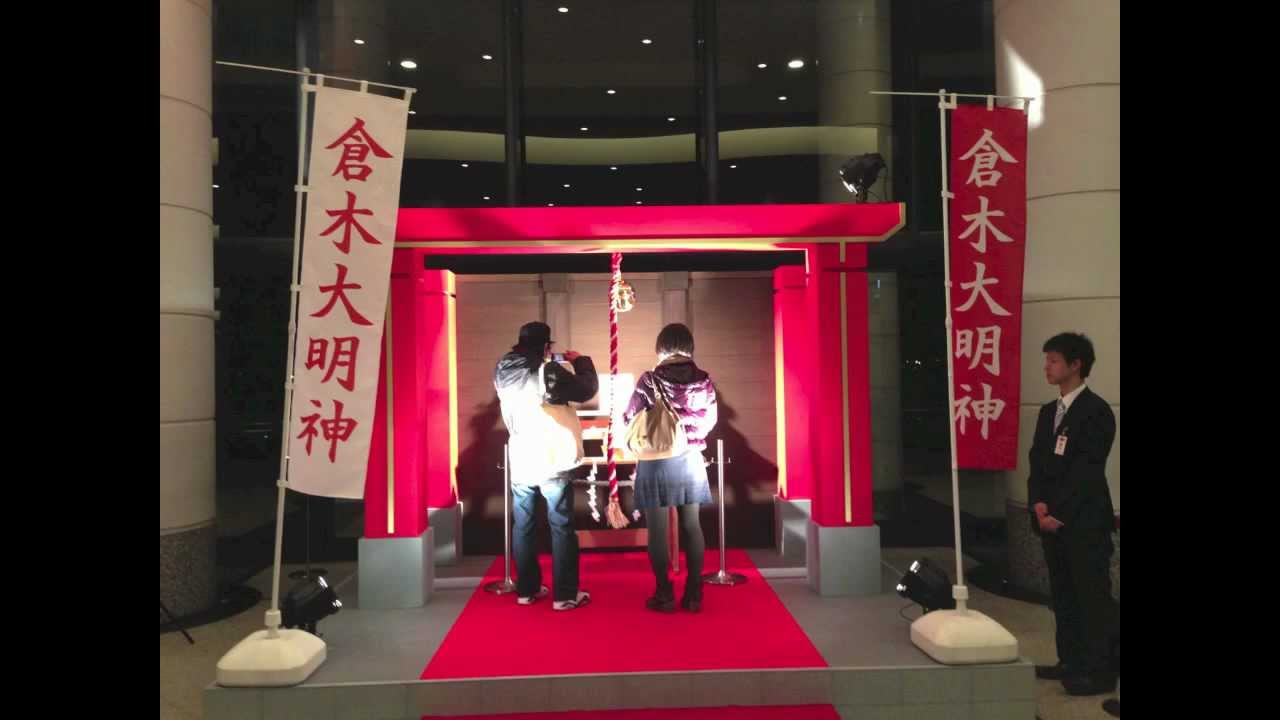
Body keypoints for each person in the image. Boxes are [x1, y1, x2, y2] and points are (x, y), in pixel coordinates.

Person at [1027, 332, 1118, 695]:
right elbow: (1037, 462)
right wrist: (1037, 504)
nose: (1046, 367)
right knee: (1063, 595)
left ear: (1076, 364)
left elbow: (1087, 471)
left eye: (1053, 360)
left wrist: (1058, 512)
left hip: (1084, 521)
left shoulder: (1097, 411)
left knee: (1092, 597)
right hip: (1050, 521)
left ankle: (1100, 672)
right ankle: (1070, 660)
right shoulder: (1048, 412)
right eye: (1047, 359)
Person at [493, 321, 597, 611]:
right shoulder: (545, 371)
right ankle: (565, 595)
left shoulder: (502, 368)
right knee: (561, 525)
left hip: (521, 456)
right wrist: (581, 362)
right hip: (551, 456)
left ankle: (526, 590)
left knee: (523, 525)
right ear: (546, 346)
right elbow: (586, 389)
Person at [621, 323, 718, 613]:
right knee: (692, 526)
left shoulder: (650, 380)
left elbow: (629, 417)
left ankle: (664, 594)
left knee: (658, 531)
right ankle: (694, 594)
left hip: (657, 460)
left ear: (660, 347)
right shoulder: (704, 380)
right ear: (690, 346)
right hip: (691, 459)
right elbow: (710, 420)